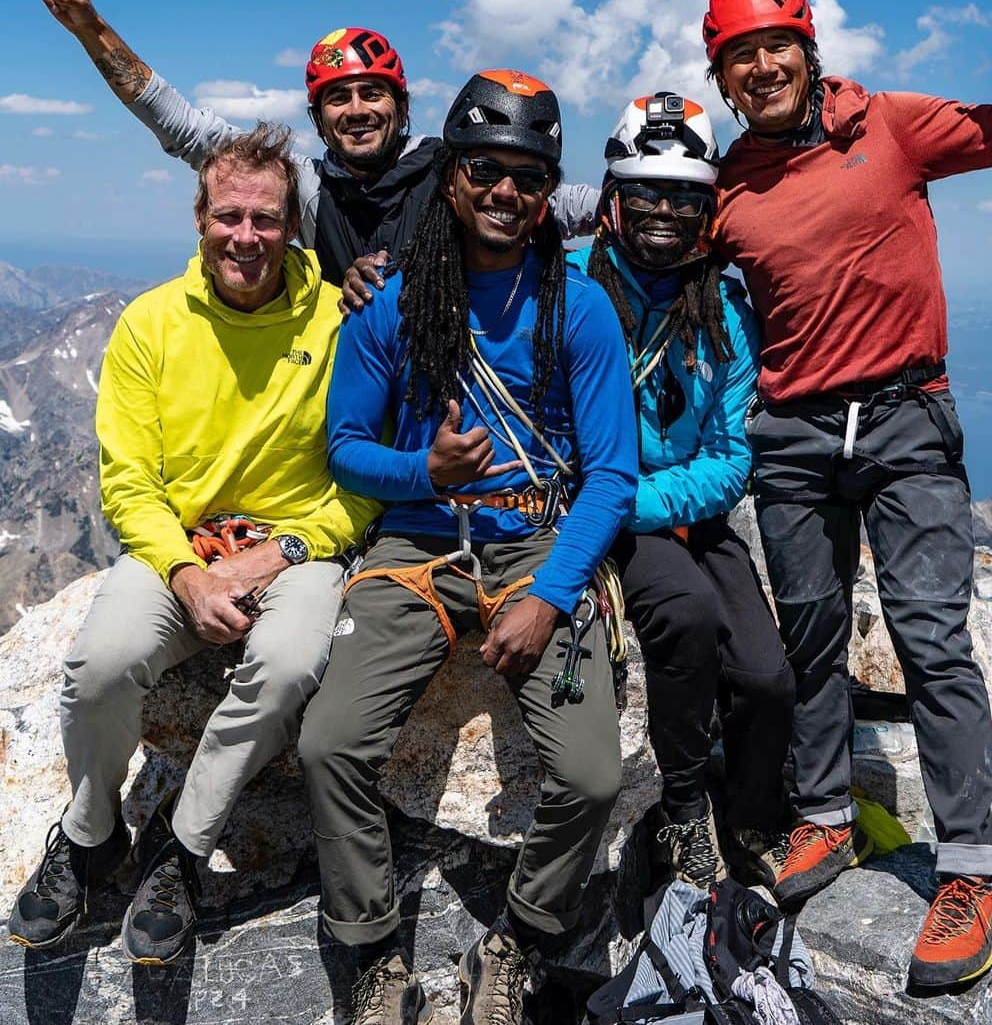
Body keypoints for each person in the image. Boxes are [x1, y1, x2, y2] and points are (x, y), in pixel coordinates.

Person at [700, 0, 992, 989]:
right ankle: (823, 811)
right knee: (810, 633)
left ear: (807, 51)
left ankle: (971, 869)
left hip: (906, 418)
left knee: (930, 638)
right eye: (739, 56)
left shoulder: (891, 127)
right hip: (792, 432)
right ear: (722, 78)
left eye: (776, 47)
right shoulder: (729, 183)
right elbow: (645, 243)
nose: (761, 67)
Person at [297, 69, 637, 1024]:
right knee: (330, 745)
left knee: (592, 773)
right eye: (485, 170)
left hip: (535, 542)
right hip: (416, 549)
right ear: (448, 176)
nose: (505, 192)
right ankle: (372, 951)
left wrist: (551, 596)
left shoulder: (582, 309)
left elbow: (611, 474)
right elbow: (349, 450)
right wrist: (429, 476)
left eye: (529, 179)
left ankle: (521, 938)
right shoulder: (392, 303)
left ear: (547, 195)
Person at [8, 125, 379, 966]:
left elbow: (360, 481)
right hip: (179, 547)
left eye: (266, 219)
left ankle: (181, 845)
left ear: (293, 226)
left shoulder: (339, 322)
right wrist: (184, 572)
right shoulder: (151, 325)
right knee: (100, 664)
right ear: (200, 219)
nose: (245, 236)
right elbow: (129, 480)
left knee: (285, 666)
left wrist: (273, 555)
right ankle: (92, 831)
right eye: (228, 216)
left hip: (296, 549)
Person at [16, 0, 597, 287]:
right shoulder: (308, 186)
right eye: (337, 99)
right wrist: (92, 31)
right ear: (319, 120)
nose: (357, 110)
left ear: (401, 105)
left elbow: (563, 204)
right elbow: (185, 128)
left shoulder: (455, 169)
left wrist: (666, 200)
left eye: (373, 93)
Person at [569, 91, 794, 891]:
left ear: (708, 210)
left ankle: (753, 814)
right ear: (613, 203)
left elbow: (733, 456)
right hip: (608, 512)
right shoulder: (567, 287)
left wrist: (638, 502)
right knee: (687, 616)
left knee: (767, 677)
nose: (664, 211)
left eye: (685, 198)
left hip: (663, 509)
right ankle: (684, 807)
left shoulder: (724, 310)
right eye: (647, 194)